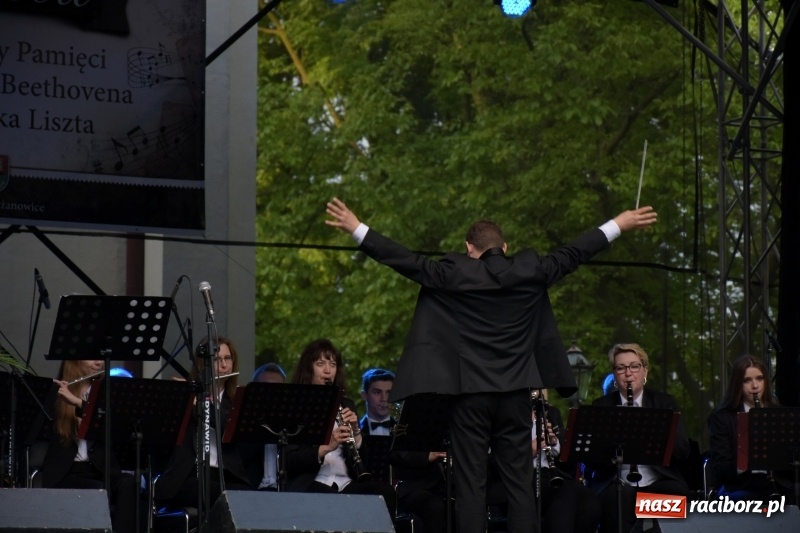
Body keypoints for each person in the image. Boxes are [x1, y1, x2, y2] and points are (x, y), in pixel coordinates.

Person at [325, 197, 658, 533]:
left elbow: (405, 260)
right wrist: (620, 223)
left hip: (468, 396)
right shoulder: (530, 270)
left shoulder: (453, 273)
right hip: (515, 394)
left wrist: (357, 228)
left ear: (469, 248)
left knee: (470, 484)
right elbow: (574, 253)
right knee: (520, 483)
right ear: (505, 246)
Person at [284, 339, 396, 518]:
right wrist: (327, 446)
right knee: (333, 502)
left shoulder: (345, 403)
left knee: (385, 492)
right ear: (308, 368)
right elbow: (289, 460)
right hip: (312, 481)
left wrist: (356, 433)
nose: (328, 371)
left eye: (333, 364)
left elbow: (366, 461)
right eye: (321, 364)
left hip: (345, 481)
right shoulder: (294, 405)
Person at [587, 343, 691, 533]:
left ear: (645, 371)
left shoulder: (664, 403)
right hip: (617, 482)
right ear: (615, 375)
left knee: (679, 497)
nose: (628, 373)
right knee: (617, 500)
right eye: (621, 368)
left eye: (634, 366)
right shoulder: (602, 405)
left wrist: (654, 427)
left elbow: (683, 451)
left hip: (658, 481)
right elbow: (593, 462)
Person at [154, 337, 260, 510]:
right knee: (220, 495)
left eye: (228, 359)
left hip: (226, 475)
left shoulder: (237, 402)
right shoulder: (185, 397)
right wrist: (179, 401)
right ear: (203, 365)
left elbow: (232, 433)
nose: (224, 365)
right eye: (217, 360)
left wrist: (203, 406)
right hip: (187, 476)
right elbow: (162, 447)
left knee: (250, 500)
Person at [41, 359, 138, 533]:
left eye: (101, 357)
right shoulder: (57, 394)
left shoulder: (106, 393)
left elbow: (115, 430)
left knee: (128, 484)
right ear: (75, 361)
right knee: (98, 490)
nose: (98, 362)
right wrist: (54, 395)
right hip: (68, 471)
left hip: (99, 468)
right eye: (91, 357)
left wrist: (79, 404)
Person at [487, 390, 601, 533]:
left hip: (549, 475)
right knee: (563, 493)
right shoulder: (502, 414)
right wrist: (530, 450)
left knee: (590, 503)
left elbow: (567, 464)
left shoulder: (550, 413)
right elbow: (492, 461)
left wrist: (555, 444)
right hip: (517, 478)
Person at [707, 354, 792, 501]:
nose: (755, 386)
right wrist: (744, 462)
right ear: (737, 384)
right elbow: (720, 468)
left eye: (759, 378)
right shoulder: (722, 417)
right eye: (747, 380)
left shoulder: (780, 413)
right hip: (741, 484)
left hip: (780, 482)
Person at [252, 362, 287, 491]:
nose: (272, 394)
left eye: (277, 389)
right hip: (251, 490)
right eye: (265, 388)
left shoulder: (292, 426)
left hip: (285, 492)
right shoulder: (245, 423)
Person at [359, 368, 397, 436]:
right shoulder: (353, 432)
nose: (384, 399)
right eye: (377, 392)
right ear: (364, 395)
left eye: (389, 393)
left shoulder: (406, 431)